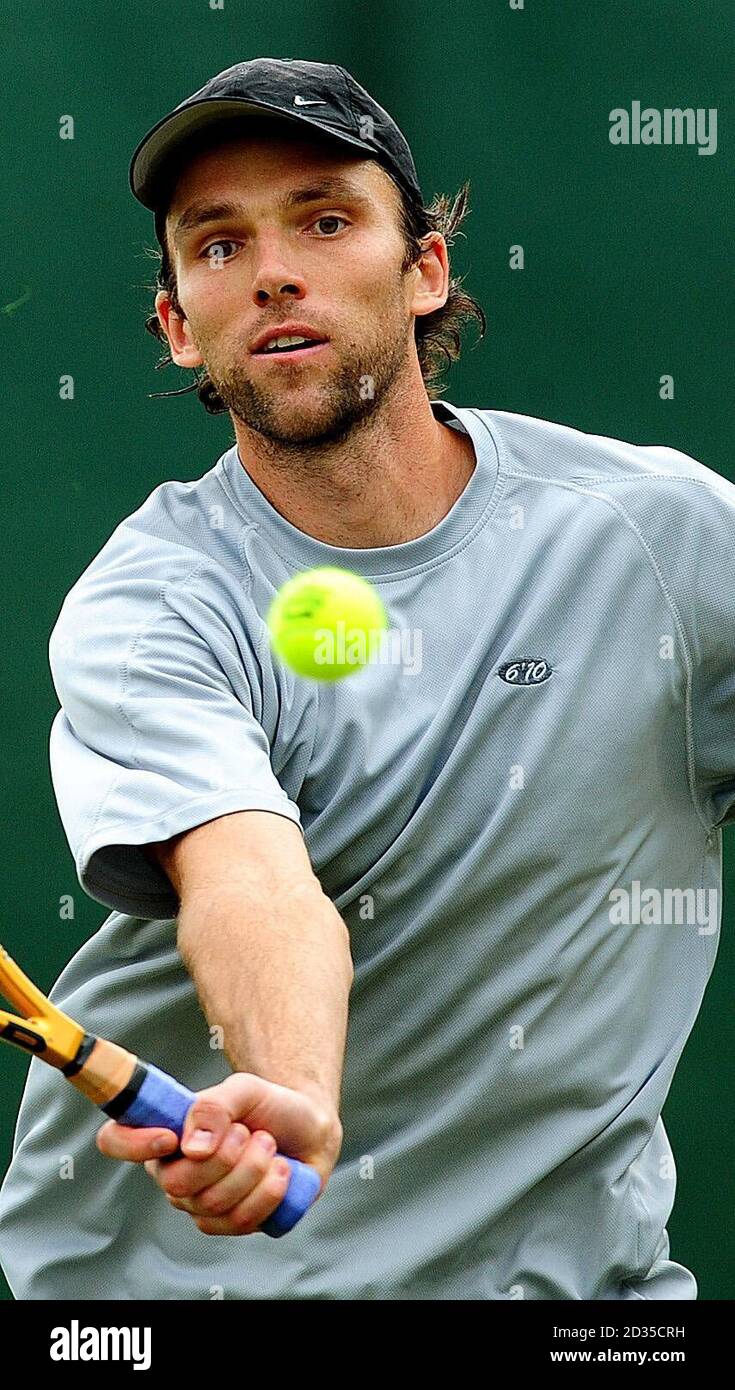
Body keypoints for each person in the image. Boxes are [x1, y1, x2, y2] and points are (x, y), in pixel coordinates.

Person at [0, 56, 732, 1300]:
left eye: (326, 221)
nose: (273, 270)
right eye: (217, 246)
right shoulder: (152, 604)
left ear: (425, 270)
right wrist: (289, 1094)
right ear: (178, 323)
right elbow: (250, 880)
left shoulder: (670, 546)